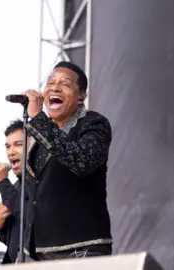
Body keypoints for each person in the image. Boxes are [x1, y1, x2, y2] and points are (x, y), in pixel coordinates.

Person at [21, 61, 112, 260]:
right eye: (50, 82)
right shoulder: (40, 136)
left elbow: (81, 162)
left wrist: (38, 119)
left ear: (81, 96)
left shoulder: (94, 124)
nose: (54, 87)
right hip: (42, 252)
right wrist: (25, 247)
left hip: (81, 249)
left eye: (64, 84)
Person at [0, 119, 29, 264]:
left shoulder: (41, 182)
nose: (11, 152)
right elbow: (13, 238)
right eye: (8, 146)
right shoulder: (17, 185)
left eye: (18, 145)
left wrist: (2, 183)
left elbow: (31, 219)